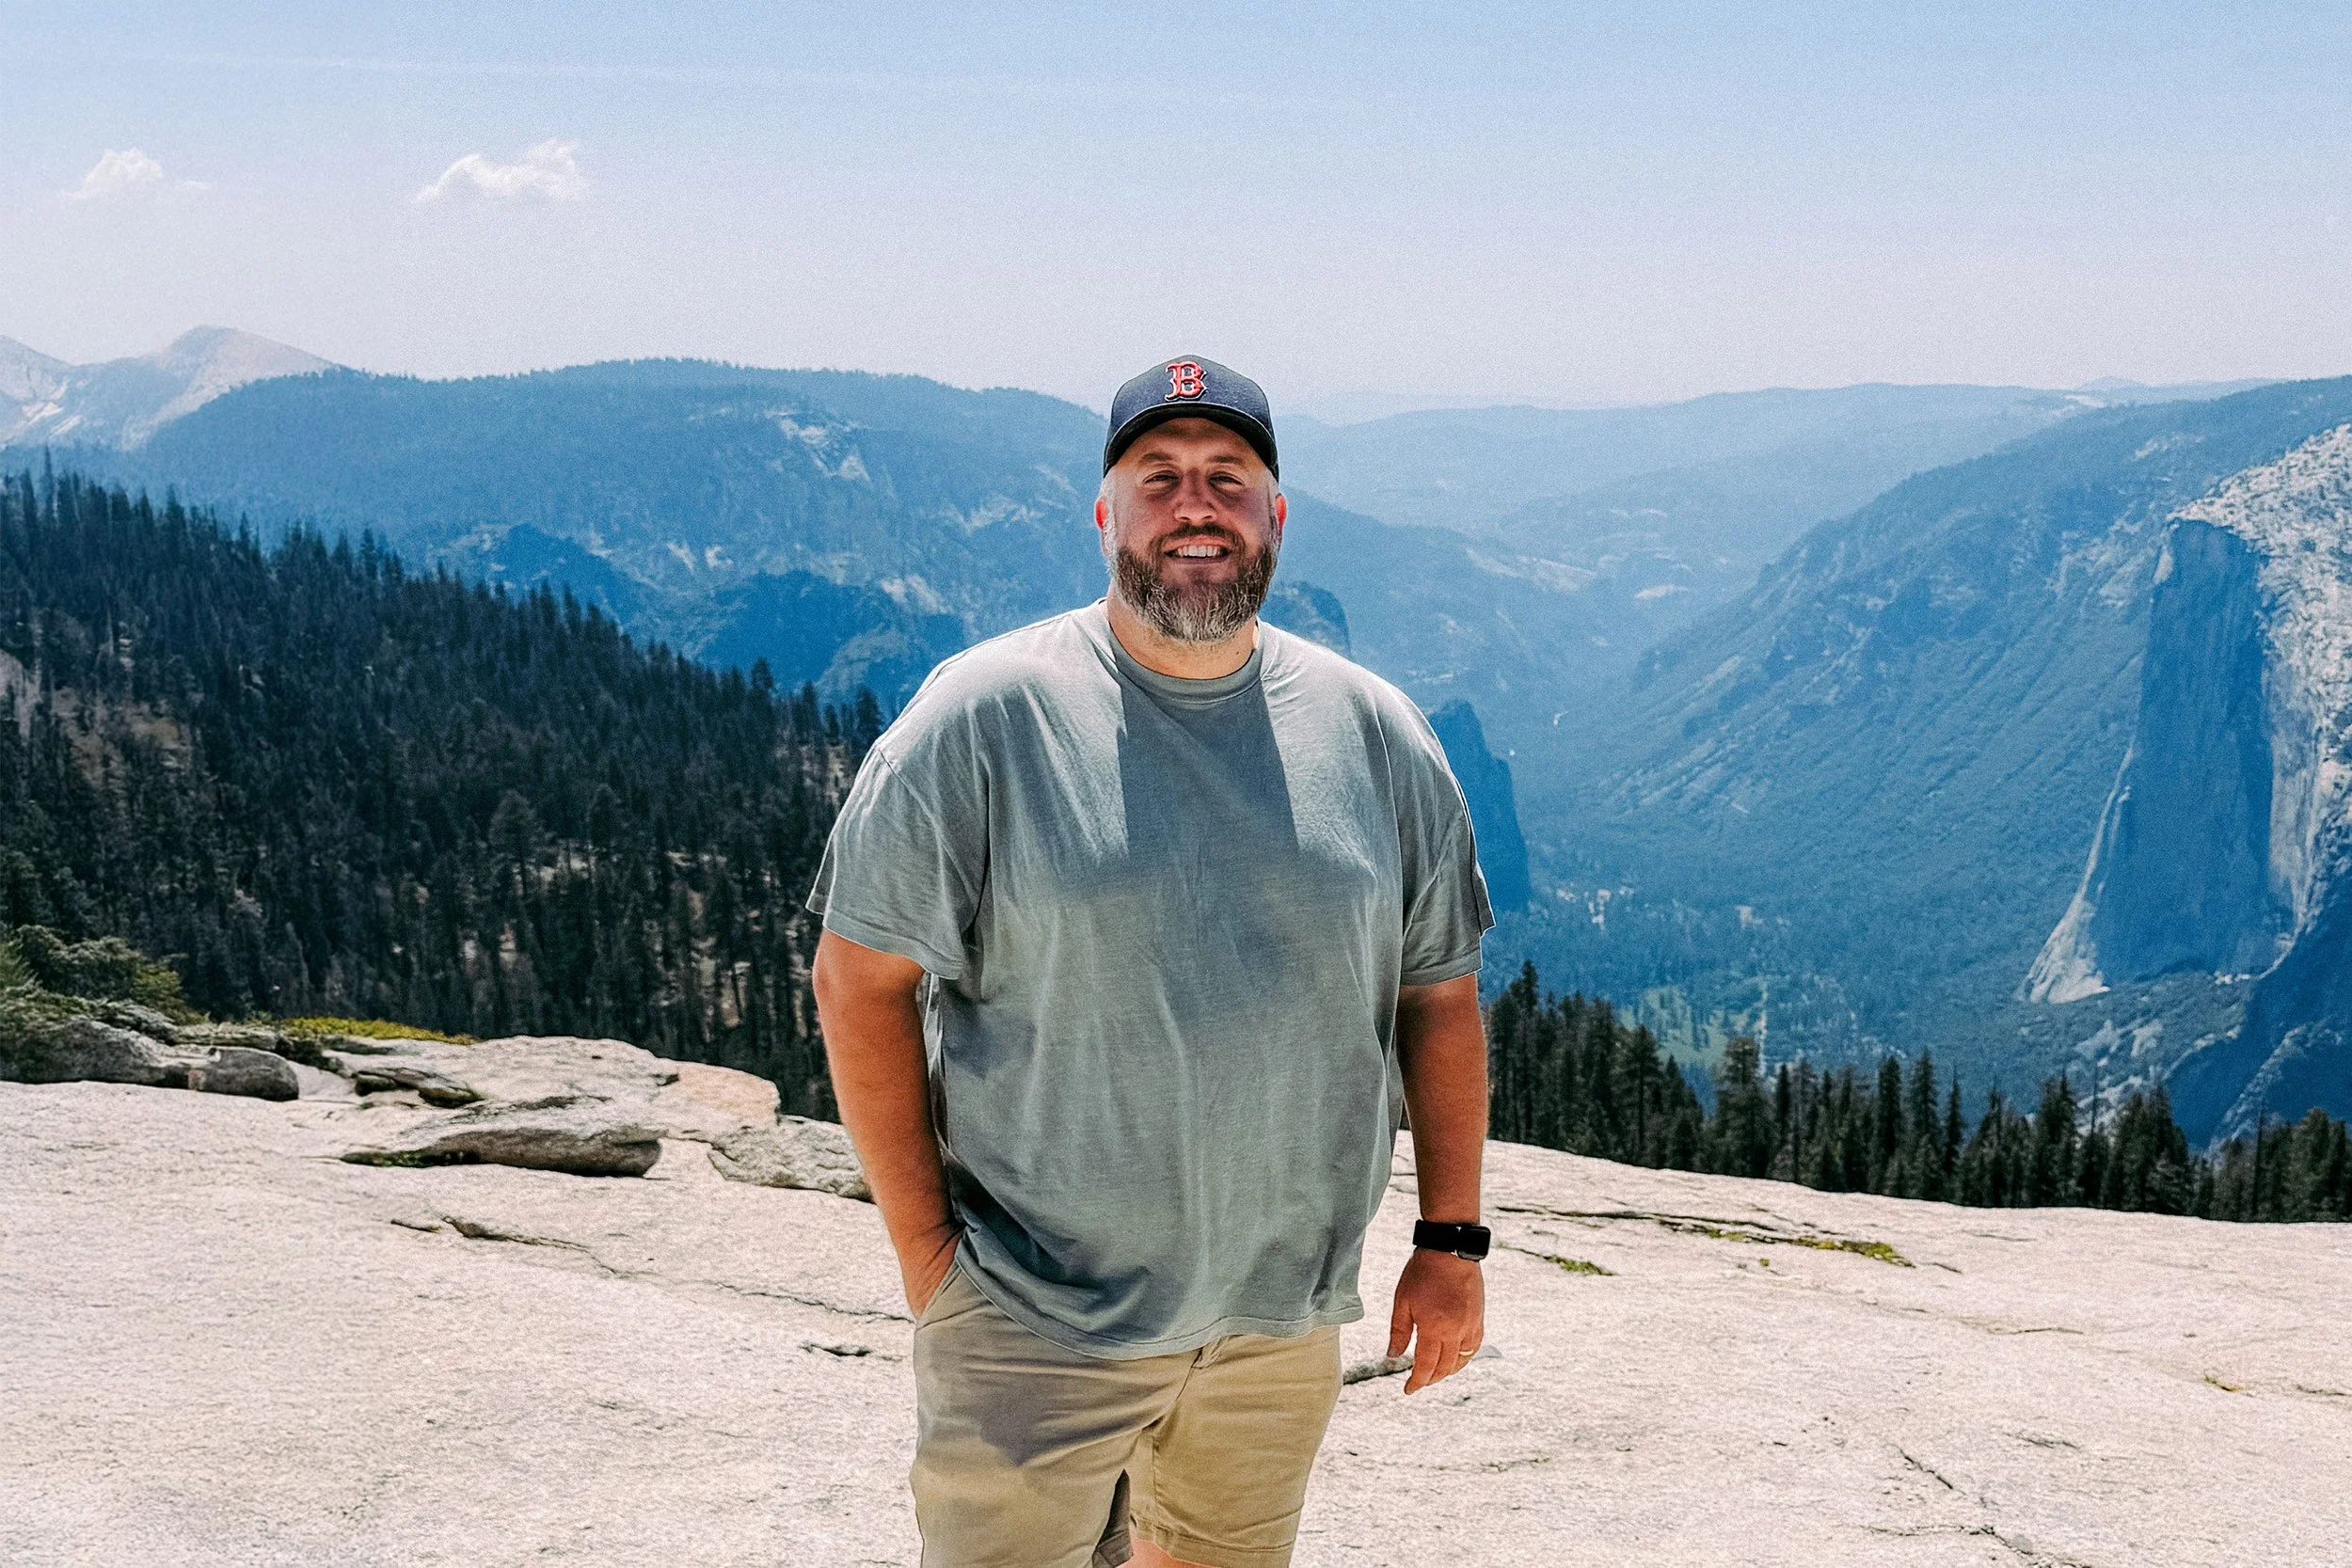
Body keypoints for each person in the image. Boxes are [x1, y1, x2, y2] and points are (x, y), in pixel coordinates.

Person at [808, 355, 1496, 1568]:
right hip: (1033, 1317)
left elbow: (1435, 998)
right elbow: (859, 978)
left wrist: (1451, 1244)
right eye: (1159, 478)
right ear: (1106, 514)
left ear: (1274, 515)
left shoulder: (1375, 731)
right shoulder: (982, 718)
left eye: (1228, 480)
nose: (1195, 508)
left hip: (1277, 1327)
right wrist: (930, 1261)